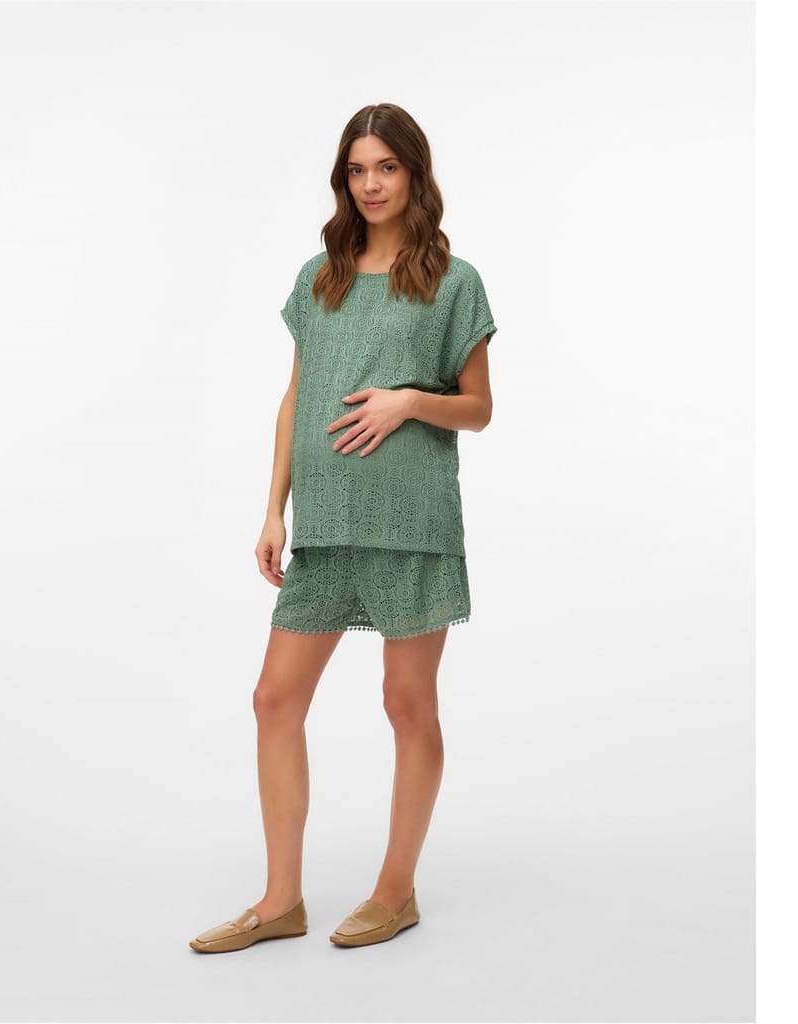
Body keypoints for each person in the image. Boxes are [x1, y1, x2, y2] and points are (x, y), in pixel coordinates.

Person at [189, 103, 498, 953]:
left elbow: (479, 407)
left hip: (411, 521)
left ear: (414, 174)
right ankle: (280, 901)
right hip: (323, 523)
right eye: (357, 169)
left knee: (406, 703)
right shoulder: (318, 276)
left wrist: (410, 401)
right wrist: (273, 508)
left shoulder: (454, 280)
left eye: (386, 167)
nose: (371, 184)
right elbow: (297, 395)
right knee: (274, 699)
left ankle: (395, 893)